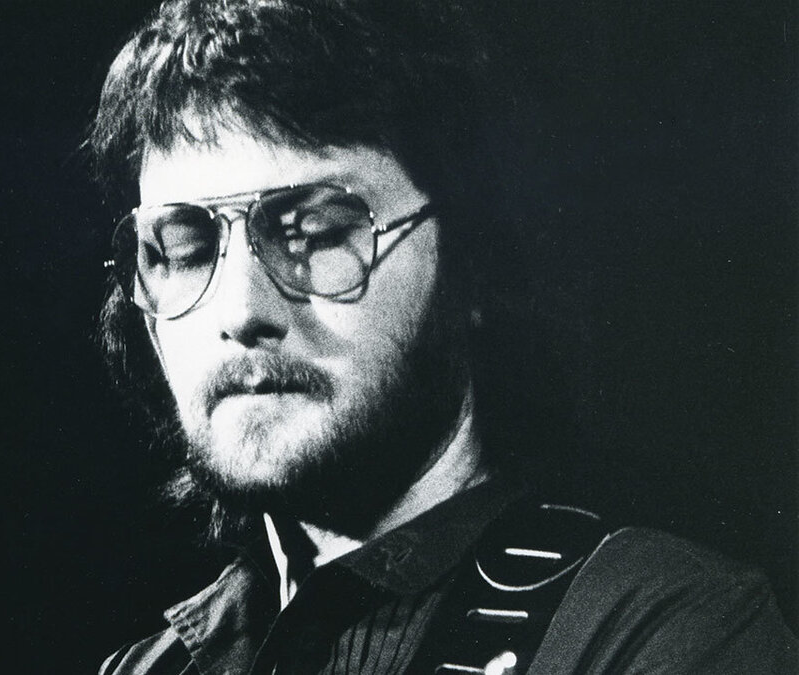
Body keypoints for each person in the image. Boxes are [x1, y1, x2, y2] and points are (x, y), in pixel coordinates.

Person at [85, 0, 798, 672]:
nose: (240, 310)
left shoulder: (667, 632)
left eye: (316, 233)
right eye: (187, 249)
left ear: (472, 260)